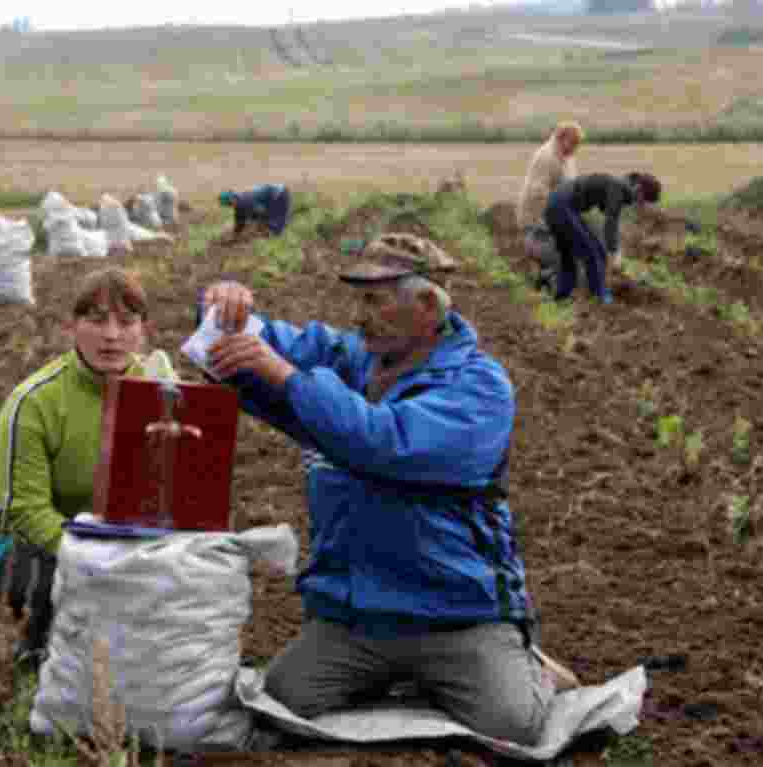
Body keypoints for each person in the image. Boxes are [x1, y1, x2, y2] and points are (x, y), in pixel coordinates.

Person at [199, 237, 578, 746]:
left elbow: (384, 442)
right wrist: (227, 310)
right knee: (284, 700)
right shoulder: (354, 359)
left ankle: (525, 662)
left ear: (426, 306)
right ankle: (396, 670)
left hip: (456, 613)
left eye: (375, 301)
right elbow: (268, 349)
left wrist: (288, 378)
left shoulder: (479, 389)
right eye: (360, 301)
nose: (361, 316)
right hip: (359, 616)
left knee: (513, 723)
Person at [0, 268, 163, 665]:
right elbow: (25, 511)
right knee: (51, 580)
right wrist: (92, 557)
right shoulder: (34, 402)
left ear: (143, 330)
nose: (111, 335)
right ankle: (36, 652)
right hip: (34, 542)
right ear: (72, 327)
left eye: (126, 322)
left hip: (120, 533)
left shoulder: (159, 393)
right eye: (96, 320)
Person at [545, 172, 662, 304]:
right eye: (642, 200)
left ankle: (562, 298)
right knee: (593, 253)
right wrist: (614, 252)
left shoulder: (619, 186)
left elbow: (609, 214)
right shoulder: (618, 187)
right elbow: (610, 221)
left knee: (571, 254)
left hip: (558, 205)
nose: (640, 205)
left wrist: (614, 246)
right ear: (639, 190)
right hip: (561, 206)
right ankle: (602, 299)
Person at [517, 122, 583, 291]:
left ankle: (546, 285)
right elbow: (538, 192)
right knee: (555, 255)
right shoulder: (546, 157)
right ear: (561, 138)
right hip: (537, 218)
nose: (575, 149)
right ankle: (547, 288)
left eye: (577, 145)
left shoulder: (566, 156)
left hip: (554, 217)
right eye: (573, 143)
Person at [219, 184, 292, 239]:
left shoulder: (244, 201)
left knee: (275, 230)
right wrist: (236, 233)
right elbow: (240, 221)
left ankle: (284, 232)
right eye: (229, 205)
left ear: (231, 199)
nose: (230, 206)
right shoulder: (240, 201)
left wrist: (262, 224)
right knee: (265, 224)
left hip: (280, 195)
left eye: (229, 204)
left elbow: (261, 212)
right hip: (273, 196)